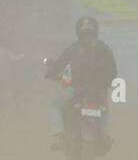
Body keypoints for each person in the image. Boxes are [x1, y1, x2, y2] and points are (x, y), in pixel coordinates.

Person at [44, 16, 117, 150]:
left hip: (77, 91)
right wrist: (105, 82)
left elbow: (57, 66)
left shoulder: (72, 49)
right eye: (86, 34)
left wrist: (51, 73)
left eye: (88, 34)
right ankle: (104, 135)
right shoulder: (104, 48)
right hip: (96, 92)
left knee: (55, 104)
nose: (87, 37)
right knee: (104, 107)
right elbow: (113, 71)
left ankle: (59, 134)